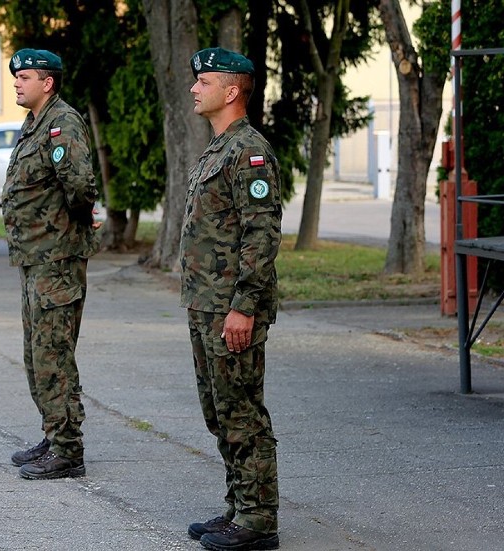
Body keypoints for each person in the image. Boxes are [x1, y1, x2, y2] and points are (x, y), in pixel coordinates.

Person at [180, 47, 282, 551]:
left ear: (232, 90)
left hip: (231, 308)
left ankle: (259, 522)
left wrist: (243, 306)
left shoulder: (250, 153)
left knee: (241, 410)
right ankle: (239, 506)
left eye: (206, 81)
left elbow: (260, 237)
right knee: (218, 411)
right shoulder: (218, 148)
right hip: (206, 304)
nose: (196, 89)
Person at [2, 48, 99, 480]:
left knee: (54, 353)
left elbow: (80, 186)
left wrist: (71, 228)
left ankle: (68, 449)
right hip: (34, 258)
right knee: (36, 353)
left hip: (56, 259)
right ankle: (52, 433)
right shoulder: (34, 124)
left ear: (49, 82)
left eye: (26, 76)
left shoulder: (62, 123)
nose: (18, 82)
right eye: (16, 76)